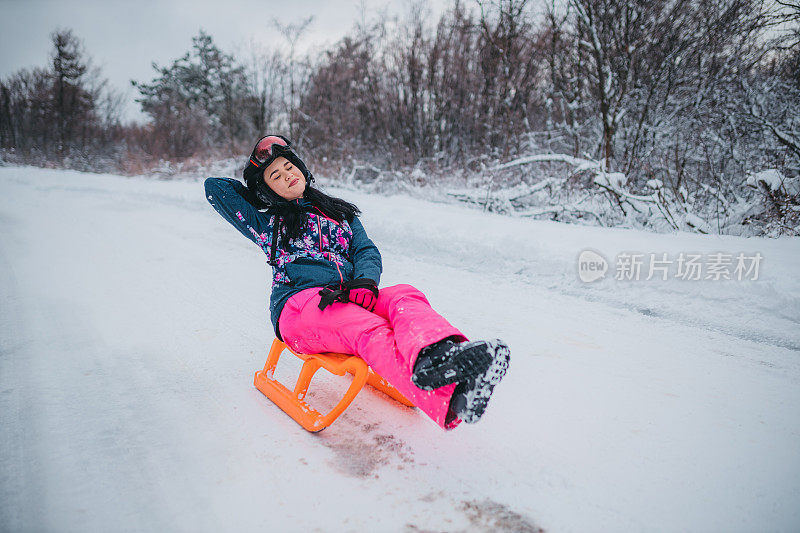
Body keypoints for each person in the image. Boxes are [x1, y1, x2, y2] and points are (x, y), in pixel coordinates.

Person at [204, 135, 510, 429]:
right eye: (275, 176)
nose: (286, 176)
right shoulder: (269, 225)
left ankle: (444, 360)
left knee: (405, 295)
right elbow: (216, 189)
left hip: (346, 295)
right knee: (365, 328)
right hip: (298, 308)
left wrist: (366, 281)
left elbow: (365, 249)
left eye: (289, 167)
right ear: (267, 189)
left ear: (301, 168)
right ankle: (446, 392)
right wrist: (258, 192)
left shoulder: (339, 213)